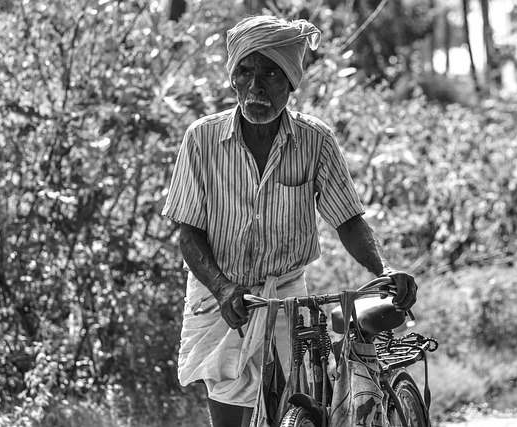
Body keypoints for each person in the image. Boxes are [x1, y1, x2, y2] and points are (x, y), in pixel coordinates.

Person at [162, 15, 418, 427]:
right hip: (219, 296)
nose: (256, 87)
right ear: (232, 80)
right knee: (229, 409)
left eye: (270, 74)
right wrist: (224, 288)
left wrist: (383, 270)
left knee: (299, 404)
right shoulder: (201, 139)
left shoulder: (315, 140)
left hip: (285, 293)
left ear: (291, 82)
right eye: (245, 72)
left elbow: (348, 220)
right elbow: (188, 232)